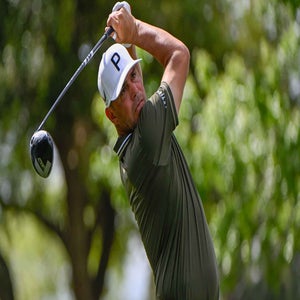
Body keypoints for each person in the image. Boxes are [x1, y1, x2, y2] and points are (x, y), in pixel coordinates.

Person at [97, 3, 219, 300]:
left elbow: (139, 96)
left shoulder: (139, 136)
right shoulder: (148, 139)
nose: (135, 90)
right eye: (122, 92)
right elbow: (178, 55)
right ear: (111, 116)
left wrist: (128, 43)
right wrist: (135, 29)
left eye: (134, 77)